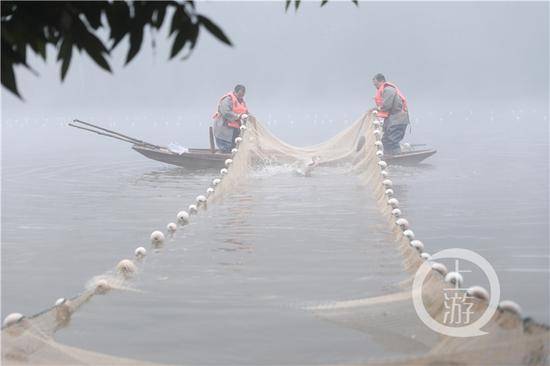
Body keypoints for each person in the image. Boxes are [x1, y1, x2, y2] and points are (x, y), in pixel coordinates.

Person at [372, 73, 410, 154]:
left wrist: (377, 109)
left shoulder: (388, 90)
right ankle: (389, 156)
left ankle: (398, 158)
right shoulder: (385, 90)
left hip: (398, 120)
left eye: (376, 84)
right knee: (385, 140)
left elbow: (386, 105)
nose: (376, 87)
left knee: (392, 141)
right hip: (393, 120)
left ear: (382, 81)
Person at [212, 85, 248, 153]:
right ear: (235, 92)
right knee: (226, 149)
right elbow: (226, 112)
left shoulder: (242, 102)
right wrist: (238, 116)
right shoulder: (227, 100)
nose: (241, 96)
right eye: (240, 94)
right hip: (224, 129)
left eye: (243, 94)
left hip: (235, 130)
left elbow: (246, 112)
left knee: (235, 148)